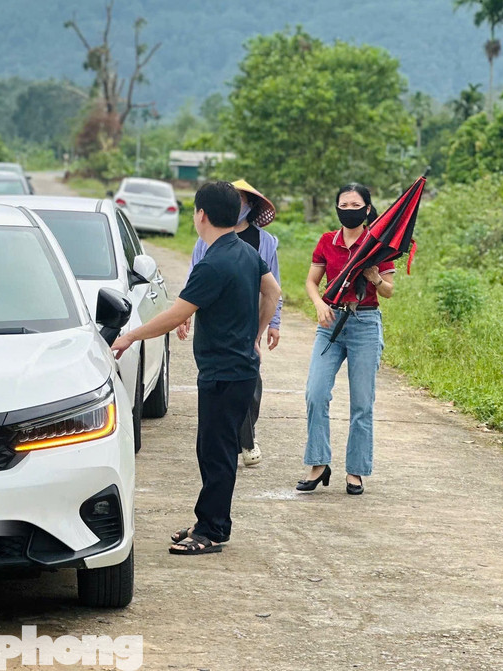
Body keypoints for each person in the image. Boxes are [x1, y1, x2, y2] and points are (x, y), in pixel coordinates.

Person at [112, 181, 282, 556]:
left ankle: (212, 530)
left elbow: (176, 314)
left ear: (201, 215)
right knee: (212, 448)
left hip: (224, 373)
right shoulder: (244, 252)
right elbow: (272, 292)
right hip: (239, 369)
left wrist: (131, 336)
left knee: (217, 452)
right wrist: (256, 332)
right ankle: (206, 520)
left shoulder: (213, 262)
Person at [298, 183, 395, 497]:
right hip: (331, 323)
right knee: (315, 392)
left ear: (367, 209)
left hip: (365, 323)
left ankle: (355, 472)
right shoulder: (327, 241)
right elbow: (312, 282)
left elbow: (389, 290)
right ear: (336, 207)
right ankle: (318, 463)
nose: (349, 210)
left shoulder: (378, 244)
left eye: (356, 205)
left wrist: (374, 276)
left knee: (362, 404)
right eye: (344, 204)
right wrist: (318, 304)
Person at [178, 179, 280, 468]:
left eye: (243, 200)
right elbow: (192, 280)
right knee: (237, 382)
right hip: (221, 321)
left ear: (249, 206)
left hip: (251, 318)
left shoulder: (263, 243)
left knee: (248, 384)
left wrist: (269, 325)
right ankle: (244, 441)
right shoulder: (207, 243)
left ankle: (243, 438)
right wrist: (184, 314)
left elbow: (274, 288)